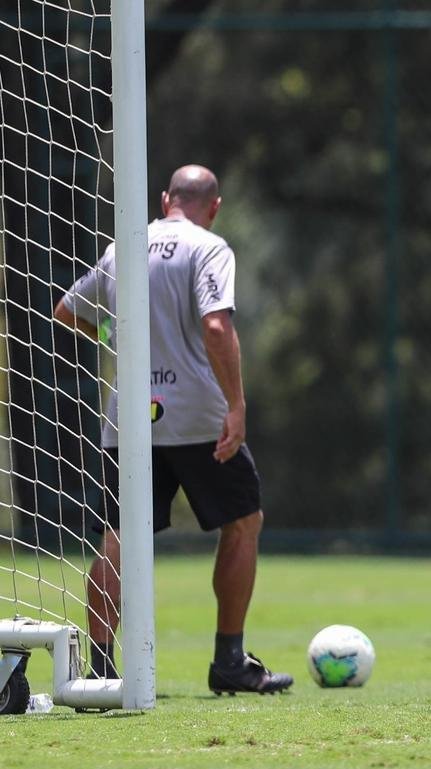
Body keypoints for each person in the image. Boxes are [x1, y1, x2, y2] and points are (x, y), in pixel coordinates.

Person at [53, 164, 292, 696]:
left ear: (165, 200)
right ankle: (229, 661)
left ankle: (101, 670)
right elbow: (216, 325)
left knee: (119, 537)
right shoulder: (209, 248)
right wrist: (237, 405)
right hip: (197, 417)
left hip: (130, 417)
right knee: (243, 522)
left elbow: (67, 311)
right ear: (215, 207)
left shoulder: (122, 249)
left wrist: (114, 331)